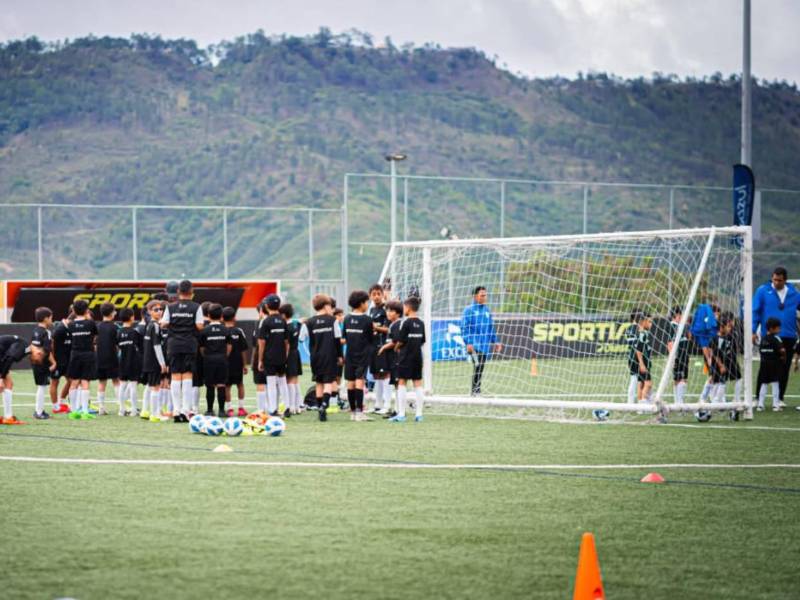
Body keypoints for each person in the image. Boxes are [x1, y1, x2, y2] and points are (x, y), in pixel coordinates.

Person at [752, 267, 799, 407]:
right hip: (769, 337)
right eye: (774, 279)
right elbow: (755, 311)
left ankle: (779, 398)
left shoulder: (795, 293)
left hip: (789, 336)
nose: (776, 282)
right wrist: (753, 331)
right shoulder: (762, 291)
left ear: (785, 280)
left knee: (784, 367)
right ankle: (757, 398)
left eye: (779, 280)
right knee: (765, 366)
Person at [160, 279, 204, 422]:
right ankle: (186, 410)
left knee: (175, 376)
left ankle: (176, 410)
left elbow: (163, 324)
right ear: (192, 292)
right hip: (189, 344)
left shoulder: (171, 307)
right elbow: (199, 326)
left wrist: (175, 322)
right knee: (187, 376)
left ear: (178, 292)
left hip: (173, 344)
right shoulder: (197, 307)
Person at [389, 296, 426, 423]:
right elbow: (422, 341)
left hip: (405, 357)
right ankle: (419, 414)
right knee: (418, 383)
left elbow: (400, 341)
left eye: (404, 307)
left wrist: (397, 348)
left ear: (408, 308)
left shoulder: (405, 322)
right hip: (417, 357)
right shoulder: (421, 323)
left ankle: (401, 414)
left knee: (402, 382)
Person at [307, 294, 342, 422]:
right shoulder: (333, 320)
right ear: (326, 306)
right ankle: (324, 406)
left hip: (315, 357)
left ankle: (319, 407)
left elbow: (301, 338)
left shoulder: (309, 322)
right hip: (329, 356)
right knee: (328, 382)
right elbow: (337, 339)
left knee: (319, 383)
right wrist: (339, 356)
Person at [461, 286, 502, 396]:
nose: (485, 297)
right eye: (482, 295)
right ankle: (475, 391)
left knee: (480, 367)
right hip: (474, 345)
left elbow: (490, 328)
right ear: (475, 296)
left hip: (484, 345)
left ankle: (476, 391)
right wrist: (468, 342)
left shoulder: (486, 311)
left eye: (485, 295)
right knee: (478, 365)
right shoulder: (469, 310)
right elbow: (464, 327)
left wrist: (496, 341)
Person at [0, 335, 46, 424]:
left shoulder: (26, 348)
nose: (34, 362)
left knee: (9, 384)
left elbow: (7, 358)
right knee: (7, 384)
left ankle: (8, 417)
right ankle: (8, 417)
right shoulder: (25, 347)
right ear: (38, 353)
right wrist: (1, 378)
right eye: (37, 360)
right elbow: (9, 359)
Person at [343, 290, 375, 421]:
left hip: (349, 354)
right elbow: (370, 339)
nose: (367, 304)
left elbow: (344, 338)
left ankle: (353, 413)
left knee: (350, 382)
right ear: (361, 303)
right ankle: (359, 413)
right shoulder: (367, 320)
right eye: (366, 302)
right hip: (362, 355)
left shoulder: (346, 318)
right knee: (359, 382)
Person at [257, 294, 289, 416]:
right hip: (281, 357)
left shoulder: (265, 322)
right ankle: (287, 408)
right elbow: (287, 342)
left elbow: (262, 342)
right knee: (282, 381)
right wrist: (285, 355)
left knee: (271, 383)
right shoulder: (282, 321)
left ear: (266, 306)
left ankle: (273, 409)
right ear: (279, 306)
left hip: (269, 357)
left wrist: (260, 360)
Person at [66, 299, 98, 420]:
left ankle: (74, 411)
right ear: (86, 310)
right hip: (88, 354)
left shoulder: (71, 324)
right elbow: (95, 335)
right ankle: (84, 411)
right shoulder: (91, 323)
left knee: (74, 382)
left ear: (73, 310)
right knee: (85, 382)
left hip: (75, 355)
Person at [199, 303, 231, 417]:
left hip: (208, 360)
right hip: (222, 359)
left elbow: (201, 348)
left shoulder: (204, 330)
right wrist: (223, 356)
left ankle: (209, 410)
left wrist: (207, 356)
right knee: (221, 384)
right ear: (221, 315)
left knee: (210, 385)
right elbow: (229, 347)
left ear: (208, 315)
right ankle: (222, 411)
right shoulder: (226, 330)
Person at [141, 300, 169, 423]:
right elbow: (156, 346)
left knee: (152, 387)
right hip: (154, 362)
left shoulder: (150, 325)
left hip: (148, 361)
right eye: (155, 310)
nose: (159, 312)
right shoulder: (155, 326)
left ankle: (152, 412)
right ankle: (155, 414)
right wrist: (162, 363)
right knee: (155, 388)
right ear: (149, 311)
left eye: (160, 309)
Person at [377, 300, 404, 418]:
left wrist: (384, 347)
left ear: (398, 313)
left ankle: (399, 410)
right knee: (396, 384)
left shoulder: (398, 324)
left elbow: (396, 342)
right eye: (387, 310)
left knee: (399, 384)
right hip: (392, 358)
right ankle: (397, 410)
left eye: (391, 311)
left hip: (397, 358)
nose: (388, 313)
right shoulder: (392, 324)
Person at [368, 284, 391, 414]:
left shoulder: (385, 309)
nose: (376, 297)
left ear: (382, 295)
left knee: (385, 373)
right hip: (373, 346)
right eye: (374, 294)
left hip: (383, 346)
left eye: (378, 294)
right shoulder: (372, 310)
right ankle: (378, 404)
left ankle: (387, 404)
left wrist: (375, 328)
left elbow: (388, 329)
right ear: (370, 296)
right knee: (376, 375)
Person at [95, 302, 121, 416]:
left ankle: (101, 408)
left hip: (99, 357)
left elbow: (95, 343)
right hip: (112, 357)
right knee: (116, 381)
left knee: (102, 382)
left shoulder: (97, 326)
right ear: (112, 313)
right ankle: (121, 407)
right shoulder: (115, 327)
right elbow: (118, 344)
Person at [223, 306, 248, 418]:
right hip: (237, 363)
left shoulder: (222, 331)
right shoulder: (239, 331)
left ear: (222, 318)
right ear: (234, 318)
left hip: (225, 363)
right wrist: (245, 364)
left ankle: (229, 409)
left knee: (226, 386)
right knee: (240, 384)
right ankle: (241, 408)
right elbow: (244, 349)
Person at [30, 306, 55, 420]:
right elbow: (47, 350)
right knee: (42, 386)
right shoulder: (46, 332)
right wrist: (53, 363)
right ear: (45, 319)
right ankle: (39, 412)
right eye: (50, 318)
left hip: (34, 362)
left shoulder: (34, 331)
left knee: (41, 386)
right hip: (42, 363)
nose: (51, 320)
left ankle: (39, 410)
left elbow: (33, 347)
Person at [279, 303, 304, 416]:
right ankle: (298, 406)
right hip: (296, 353)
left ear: (284, 315)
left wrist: (284, 358)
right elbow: (302, 320)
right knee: (295, 380)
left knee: (290, 381)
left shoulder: (287, 328)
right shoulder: (295, 325)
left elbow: (286, 344)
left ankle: (292, 406)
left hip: (289, 354)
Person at [117, 308, 142, 417]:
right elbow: (140, 347)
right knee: (133, 386)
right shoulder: (135, 332)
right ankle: (133, 410)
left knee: (122, 385)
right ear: (132, 317)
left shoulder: (118, 332)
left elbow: (118, 346)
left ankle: (121, 410)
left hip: (122, 361)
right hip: (133, 361)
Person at [757, 317, 785, 412]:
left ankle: (760, 404)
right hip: (774, 364)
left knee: (763, 384)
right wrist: (782, 357)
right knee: (775, 383)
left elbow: (760, 350)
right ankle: (775, 405)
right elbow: (782, 350)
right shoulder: (776, 338)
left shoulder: (763, 338)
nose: (779, 330)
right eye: (778, 328)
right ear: (772, 329)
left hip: (764, 364)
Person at [50, 309, 72, 413]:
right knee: (55, 382)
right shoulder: (59, 329)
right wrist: (53, 361)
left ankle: (61, 402)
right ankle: (55, 407)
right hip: (58, 362)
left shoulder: (70, 329)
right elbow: (52, 345)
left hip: (67, 361)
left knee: (72, 381)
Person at [667, 306, 690, 406]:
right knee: (682, 379)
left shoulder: (679, 326)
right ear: (677, 315)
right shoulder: (673, 326)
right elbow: (670, 343)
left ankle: (677, 402)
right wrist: (673, 358)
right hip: (680, 356)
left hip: (682, 355)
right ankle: (680, 403)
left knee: (677, 379)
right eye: (681, 315)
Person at [630, 312, 653, 404]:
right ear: (643, 322)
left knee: (641, 383)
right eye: (649, 321)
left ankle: (640, 405)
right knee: (648, 383)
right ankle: (643, 403)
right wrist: (642, 364)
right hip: (643, 361)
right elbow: (638, 350)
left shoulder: (641, 332)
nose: (650, 323)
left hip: (642, 361)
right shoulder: (642, 334)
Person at [251, 302, 268, 414]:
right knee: (273, 383)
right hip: (275, 356)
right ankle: (271, 408)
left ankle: (262, 409)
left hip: (262, 355)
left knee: (261, 382)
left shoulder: (260, 323)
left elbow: (257, 343)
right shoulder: (279, 321)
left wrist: (258, 360)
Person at [624, 309, 640, 404]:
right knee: (639, 380)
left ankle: (630, 401)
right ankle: (641, 402)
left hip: (630, 356)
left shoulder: (628, 329)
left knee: (633, 378)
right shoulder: (638, 328)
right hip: (637, 356)